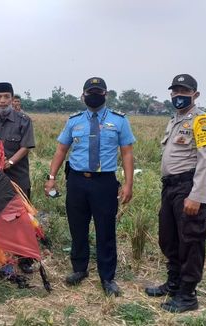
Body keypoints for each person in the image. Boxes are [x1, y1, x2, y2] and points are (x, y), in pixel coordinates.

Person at [44, 77, 135, 296]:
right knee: (78, 227)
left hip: (104, 182)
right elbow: (61, 150)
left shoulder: (119, 121)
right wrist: (51, 177)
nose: (94, 96)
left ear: (105, 94)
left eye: (98, 92)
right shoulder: (74, 120)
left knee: (106, 229)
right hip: (77, 181)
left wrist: (128, 184)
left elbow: (127, 153)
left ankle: (107, 277)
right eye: (90, 92)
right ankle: (79, 268)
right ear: (83, 96)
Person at [145, 74, 206, 313]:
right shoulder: (175, 120)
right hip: (170, 187)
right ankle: (174, 283)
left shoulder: (202, 121)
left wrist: (197, 196)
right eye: (175, 91)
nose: (178, 95)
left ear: (195, 94)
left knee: (191, 240)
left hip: (188, 186)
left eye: (183, 91)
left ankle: (187, 294)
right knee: (169, 238)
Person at [0, 82, 35, 273]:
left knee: (22, 217)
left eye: (6, 97)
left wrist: (9, 163)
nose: (3, 101)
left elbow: (26, 147)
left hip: (17, 178)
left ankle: (25, 257)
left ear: (12, 99)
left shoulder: (23, 120)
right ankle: (1, 255)